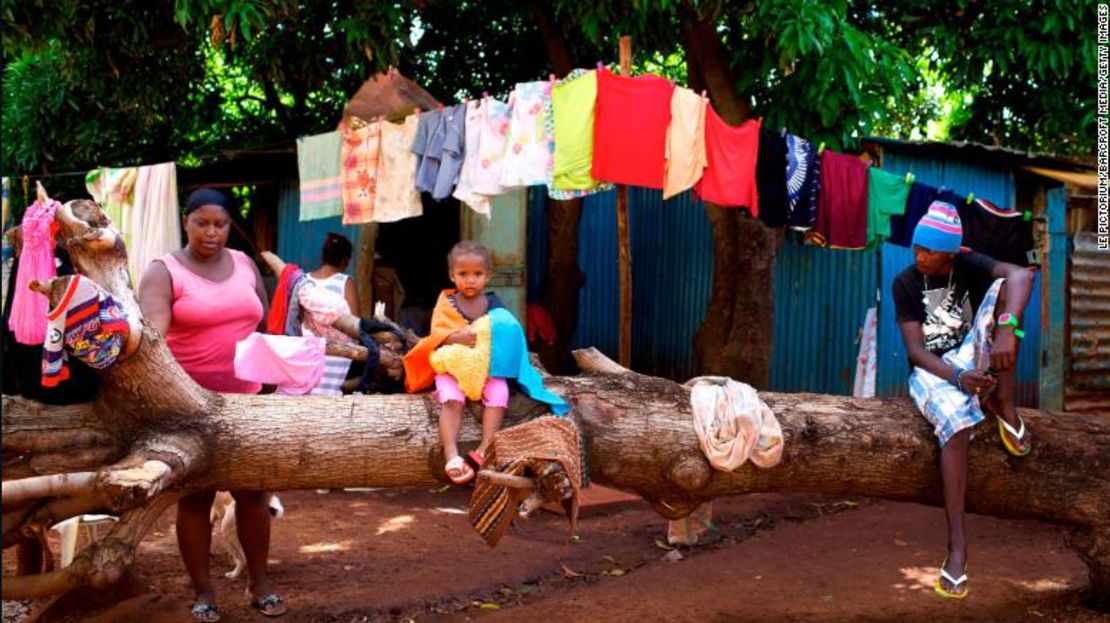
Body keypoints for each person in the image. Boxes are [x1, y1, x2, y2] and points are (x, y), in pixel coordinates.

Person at [138, 188, 285, 621]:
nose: (212, 232)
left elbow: (260, 324)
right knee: (196, 499)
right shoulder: (163, 272)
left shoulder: (243, 264)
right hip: (189, 404)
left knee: (252, 495)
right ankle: (203, 592)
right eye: (202, 223)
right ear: (186, 222)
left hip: (246, 399)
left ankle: (260, 584)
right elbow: (154, 338)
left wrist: (279, 369)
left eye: (220, 224)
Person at [893, 201, 1034, 600]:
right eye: (917, 247)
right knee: (957, 425)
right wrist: (957, 377)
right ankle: (957, 547)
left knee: (1010, 287)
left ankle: (1003, 403)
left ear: (952, 252)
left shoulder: (969, 264)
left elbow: (1022, 274)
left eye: (930, 250)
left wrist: (1007, 329)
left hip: (973, 354)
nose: (920, 255)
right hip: (934, 369)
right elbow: (917, 353)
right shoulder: (905, 283)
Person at [405, 241, 509, 484]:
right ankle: (451, 455)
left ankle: (484, 449)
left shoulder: (494, 304)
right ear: (452, 275)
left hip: (484, 371)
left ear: (488, 276)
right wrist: (455, 337)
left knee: (500, 393)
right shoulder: (447, 303)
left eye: (477, 274)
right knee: (452, 401)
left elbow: (505, 333)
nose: (470, 280)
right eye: (463, 274)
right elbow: (436, 337)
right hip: (453, 370)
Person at [303, 232, 359, 395]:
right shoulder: (345, 282)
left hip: (308, 353)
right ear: (345, 260)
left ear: (323, 256)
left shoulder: (305, 280)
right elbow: (354, 326)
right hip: (336, 355)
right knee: (329, 401)